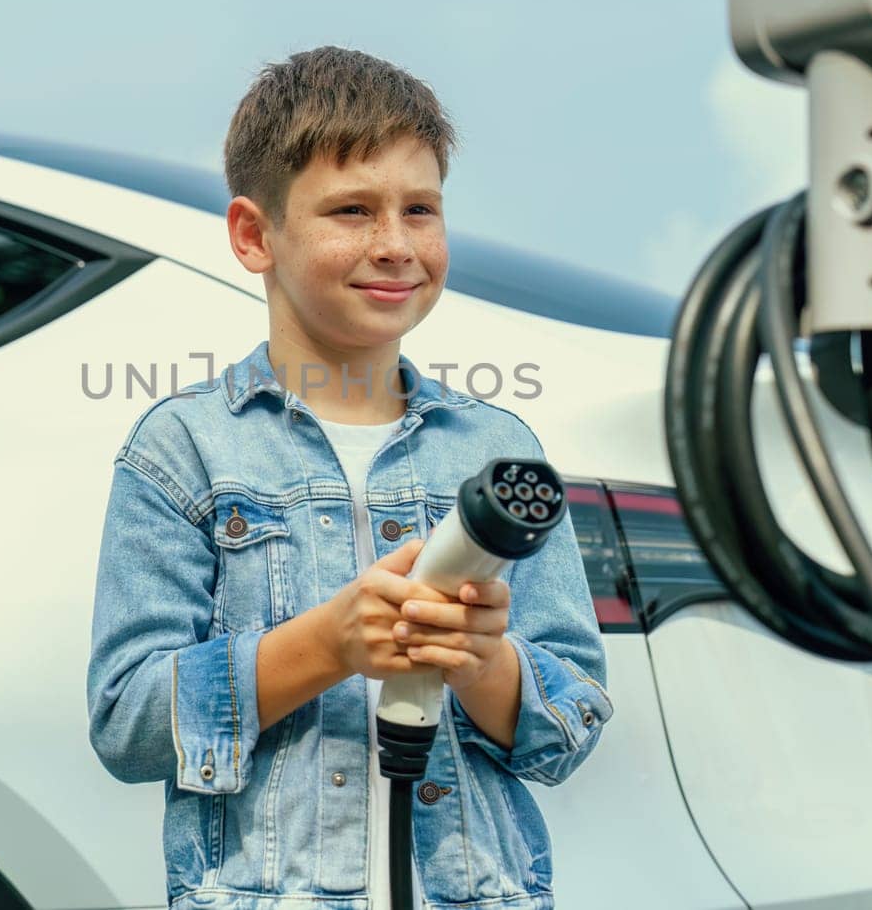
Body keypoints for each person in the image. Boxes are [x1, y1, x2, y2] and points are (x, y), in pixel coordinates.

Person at [86, 46, 612, 910]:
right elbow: (125, 718)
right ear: (255, 235)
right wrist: (328, 643)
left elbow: (571, 724)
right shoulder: (182, 449)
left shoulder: (496, 448)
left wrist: (480, 664)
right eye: (353, 210)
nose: (396, 244)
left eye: (420, 209)